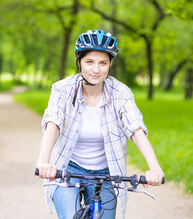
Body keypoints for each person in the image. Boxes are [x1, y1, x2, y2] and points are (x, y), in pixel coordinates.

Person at [36, 29, 164, 219]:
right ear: (79, 62)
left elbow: (136, 129)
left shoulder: (121, 93)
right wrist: (44, 162)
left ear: (110, 64)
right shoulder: (62, 89)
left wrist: (155, 168)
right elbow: (53, 123)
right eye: (89, 62)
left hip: (107, 172)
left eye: (102, 63)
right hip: (67, 168)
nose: (96, 69)